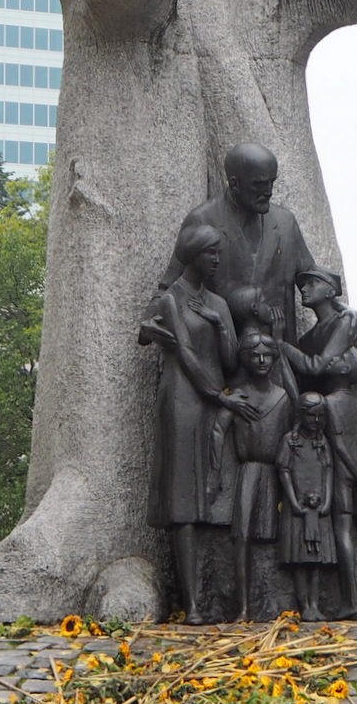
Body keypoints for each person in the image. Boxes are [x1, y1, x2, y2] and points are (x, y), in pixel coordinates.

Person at [139, 222, 245, 623]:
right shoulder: (171, 300)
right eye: (211, 253)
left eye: (220, 253)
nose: (217, 260)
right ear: (193, 255)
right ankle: (194, 605)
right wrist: (216, 394)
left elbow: (232, 361)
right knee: (184, 500)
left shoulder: (217, 303)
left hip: (214, 401)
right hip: (184, 401)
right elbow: (183, 351)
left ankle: (223, 595)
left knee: (215, 493)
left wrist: (220, 326)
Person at [281, 266, 357, 618]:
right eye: (301, 285)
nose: (303, 290)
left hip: (340, 434)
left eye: (310, 284)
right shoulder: (316, 333)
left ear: (329, 289)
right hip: (327, 436)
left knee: (352, 523)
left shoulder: (344, 324)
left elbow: (314, 366)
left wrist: (282, 347)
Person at [160, 144, 316, 344]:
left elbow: (312, 280)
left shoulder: (286, 223)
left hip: (277, 353)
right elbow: (170, 286)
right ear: (235, 183)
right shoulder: (203, 220)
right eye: (258, 185)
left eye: (271, 182)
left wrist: (341, 318)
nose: (268, 191)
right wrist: (155, 320)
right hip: (223, 357)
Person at [208, 332, 293, 622]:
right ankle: (243, 607)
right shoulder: (238, 395)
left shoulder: (282, 396)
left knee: (277, 535)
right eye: (255, 355)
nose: (261, 361)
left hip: (275, 471)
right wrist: (215, 470)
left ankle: (279, 600)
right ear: (245, 359)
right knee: (242, 535)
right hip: (248, 471)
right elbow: (219, 430)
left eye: (266, 355)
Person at [277, 392, 336, 621]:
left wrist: (328, 500)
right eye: (312, 416)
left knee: (316, 561)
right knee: (300, 560)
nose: (317, 421)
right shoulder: (289, 442)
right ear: (301, 416)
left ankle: (315, 604)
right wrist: (292, 502)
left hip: (319, 507)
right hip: (298, 509)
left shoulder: (322, 443)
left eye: (321, 416)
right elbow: (284, 471)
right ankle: (305, 606)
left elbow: (329, 470)